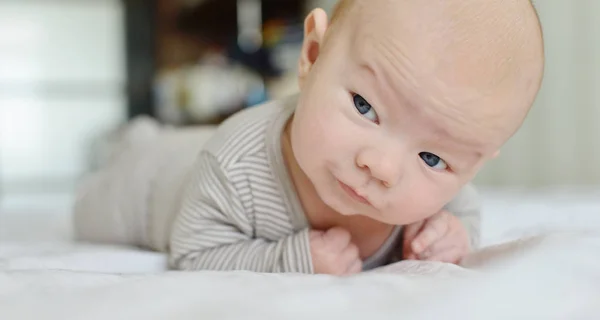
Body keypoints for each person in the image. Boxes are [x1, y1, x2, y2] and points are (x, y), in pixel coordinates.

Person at [169, 0, 545, 275]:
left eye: (432, 158)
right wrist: (291, 261)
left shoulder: (442, 199)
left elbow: (465, 215)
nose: (381, 167)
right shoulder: (234, 166)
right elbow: (193, 255)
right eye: (364, 106)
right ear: (312, 55)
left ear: (473, 166)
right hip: (160, 174)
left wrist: (452, 238)